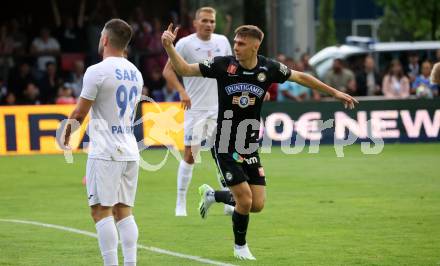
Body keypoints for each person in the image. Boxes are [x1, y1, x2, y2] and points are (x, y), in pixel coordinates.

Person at [161, 23, 358, 260]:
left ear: (255, 46)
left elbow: (301, 77)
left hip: (249, 144)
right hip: (224, 143)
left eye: (241, 43)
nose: (236, 47)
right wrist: (169, 47)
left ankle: (213, 195)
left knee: (257, 204)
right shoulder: (223, 65)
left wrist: (334, 93)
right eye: (235, 42)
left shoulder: (268, 68)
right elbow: (184, 68)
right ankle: (240, 247)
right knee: (244, 201)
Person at [63, 19, 143, 266]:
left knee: (100, 211)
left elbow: (78, 113)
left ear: (105, 39)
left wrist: (66, 135)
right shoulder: (136, 72)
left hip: (106, 151)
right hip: (130, 149)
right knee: (123, 211)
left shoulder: (97, 71)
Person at [162, 7, 233, 217]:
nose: (209, 24)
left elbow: (232, 70)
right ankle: (180, 202)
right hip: (196, 109)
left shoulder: (223, 41)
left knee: (224, 155)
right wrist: (182, 91)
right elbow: (167, 70)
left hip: (219, 107)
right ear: (195, 23)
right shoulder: (185, 43)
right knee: (190, 155)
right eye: (204, 21)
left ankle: (230, 200)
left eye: (212, 21)